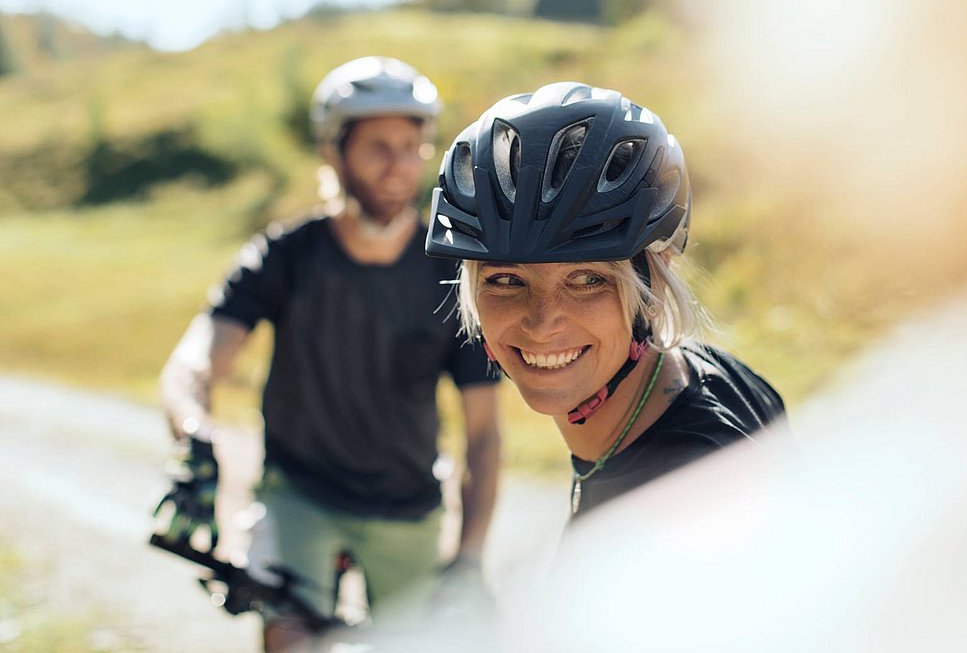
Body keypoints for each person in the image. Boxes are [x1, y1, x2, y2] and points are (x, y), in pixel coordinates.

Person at [155, 56, 502, 651]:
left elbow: (485, 434)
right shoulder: (284, 256)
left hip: (408, 505)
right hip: (299, 496)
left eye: (411, 147)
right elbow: (194, 364)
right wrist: (194, 433)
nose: (398, 167)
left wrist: (469, 558)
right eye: (377, 148)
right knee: (289, 638)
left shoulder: (453, 275)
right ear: (333, 152)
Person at [425, 81, 785, 518]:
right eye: (505, 280)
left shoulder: (683, 503)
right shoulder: (704, 374)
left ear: (657, 271)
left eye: (587, 279)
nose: (541, 323)